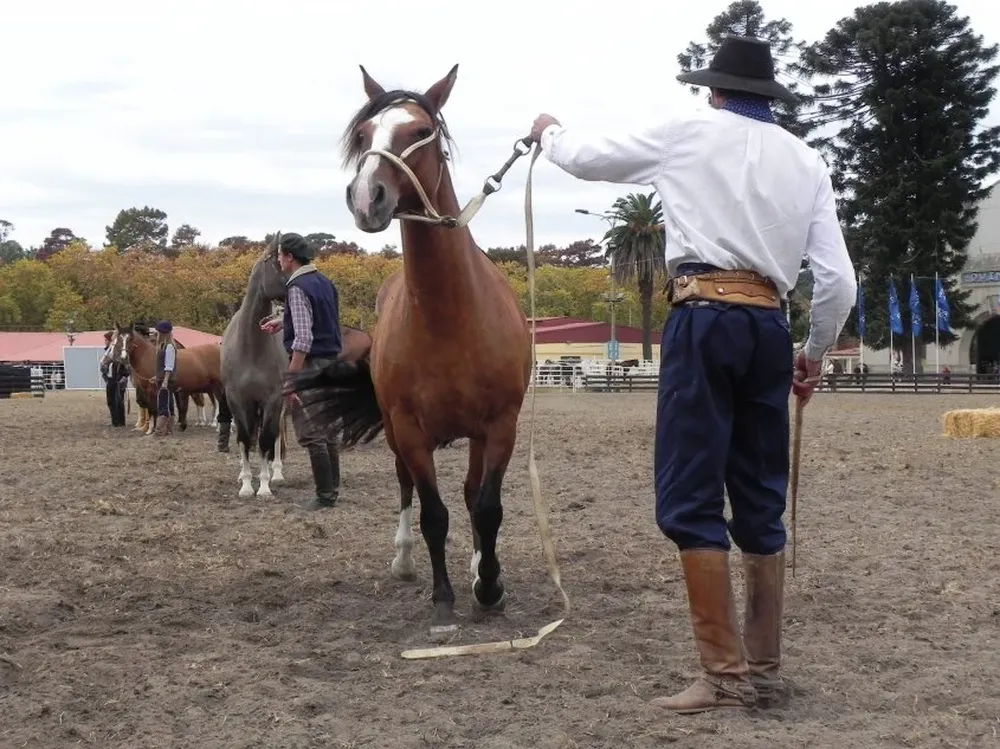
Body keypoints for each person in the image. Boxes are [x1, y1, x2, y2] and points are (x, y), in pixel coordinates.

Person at [529, 35, 857, 713]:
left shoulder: (686, 132)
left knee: (689, 493)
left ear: (713, 89)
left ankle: (724, 675)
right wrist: (814, 354)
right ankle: (762, 667)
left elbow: (590, 158)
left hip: (703, 317)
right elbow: (838, 282)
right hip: (768, 324)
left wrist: (548, 132)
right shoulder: (807, 160)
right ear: (768, 97)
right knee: (762, 492)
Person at [260, 233, 344, 511]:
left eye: (280, 256)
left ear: (289, 257)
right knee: (329, 428)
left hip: (310, 364)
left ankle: (323, 495)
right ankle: (334, 488)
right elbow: (320, 320)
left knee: (311, 431)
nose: (279, 261)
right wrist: (282, 321)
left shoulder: (296, 287)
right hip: (331, 360)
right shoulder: (324, 282)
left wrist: (292, 379)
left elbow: (305, 338)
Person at [154, 320, 178, 437]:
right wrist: (157, 376)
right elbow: (162, 366)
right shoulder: (163, 346)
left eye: (158, 332)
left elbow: (169, 366)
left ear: (163, 333)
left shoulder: (169, 347)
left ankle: (160, 431)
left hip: (166, 381)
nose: (156, 334)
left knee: (163, 404)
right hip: (162, 379)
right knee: (168, 404)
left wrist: (165, 380)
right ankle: (168, 430)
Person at [100, 330, 128, 427]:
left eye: (107, 340)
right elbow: (104, 364)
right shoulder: (108, 352)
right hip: (111, 379)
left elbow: (126, 366)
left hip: (119, 379)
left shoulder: (120, 353)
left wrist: (124, 377)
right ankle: (115, 421)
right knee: (111, 401)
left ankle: (120, 421)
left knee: (119, 401)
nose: (106, 342)